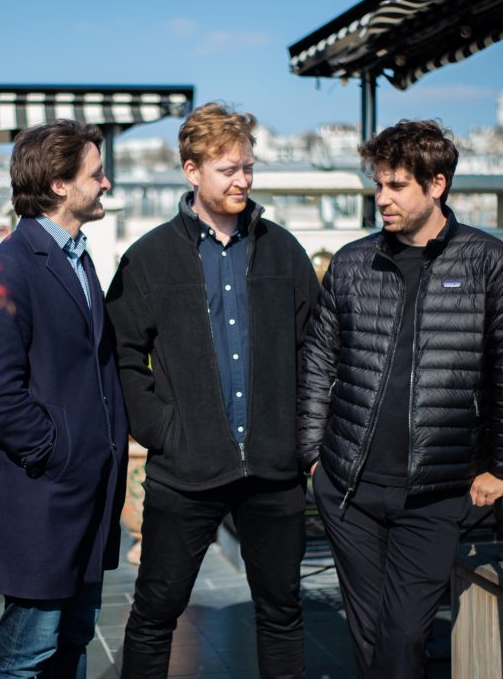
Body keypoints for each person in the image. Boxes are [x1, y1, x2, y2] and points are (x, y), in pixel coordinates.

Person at [297, 119, 503, 678]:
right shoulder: (354, 264)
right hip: (349, 489)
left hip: (434, 492)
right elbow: (318, 363)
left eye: (396, 185)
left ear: (437, 185)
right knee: (367, 633)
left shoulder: (490, 264)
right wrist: (313, 456)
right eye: (378, 184)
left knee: (404, 635)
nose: (381, 198)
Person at [106, 102, 319, 679]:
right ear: (191, 170)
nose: (243, 180)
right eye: (228, 169)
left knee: (281, 613)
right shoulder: (149, 257)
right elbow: (123, 352)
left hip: (274, 472)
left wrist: (303, 436)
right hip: (186, 474)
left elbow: (316, 350)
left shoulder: (284, 251)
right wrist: (161, 429)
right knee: (155, 612)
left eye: (248, 167)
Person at [0, 119, 129, 679]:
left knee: (72, 643)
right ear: (60, 184)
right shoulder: (7, 268)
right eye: (96, 173)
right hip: (44, 498)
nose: (105, 184)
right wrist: (56, 450)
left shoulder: (77, 257)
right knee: (25, 657)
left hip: (86, 495)